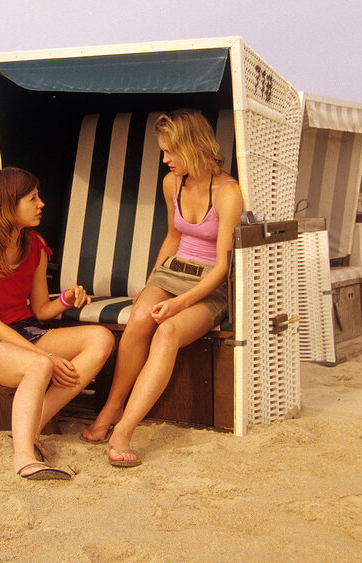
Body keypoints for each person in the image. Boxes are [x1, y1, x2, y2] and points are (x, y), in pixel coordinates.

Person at [82, 110, 243, 468]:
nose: (165, 160)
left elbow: (222, 266)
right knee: (140, 316)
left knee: (167, 330)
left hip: (209, 284)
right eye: (162, 152)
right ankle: (112, 405)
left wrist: (180, 303)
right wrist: (150, 284)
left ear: (193, 146)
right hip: (171, 272)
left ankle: (124, 430)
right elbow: (173, 237)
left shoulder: (228, 193)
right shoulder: (174, 183)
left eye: (170, 152)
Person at [0, 167, 114, 481]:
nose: (41, 204)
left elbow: (40, 310)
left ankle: (30, 426)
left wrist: (66, 298)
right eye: (33, 198)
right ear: (9, 204)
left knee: (101, 338)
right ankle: (24, 457)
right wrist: (46, 358)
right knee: (39, 367)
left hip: (24, 330)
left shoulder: (34, 245)